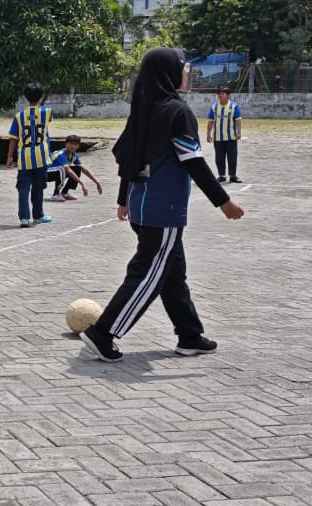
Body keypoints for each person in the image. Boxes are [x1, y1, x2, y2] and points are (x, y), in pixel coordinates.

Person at [79, 48, 245, 363]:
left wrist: (123, 199)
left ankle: (190, 335)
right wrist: (223, 201)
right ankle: (103, 333)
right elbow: (193, 161)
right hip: (162, 209)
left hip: (140, 204)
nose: (187, 72)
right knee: (147, 274)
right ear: (170, 72)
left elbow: (128, 159)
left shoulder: (144, 108)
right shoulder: (176, 111)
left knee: (172, 273)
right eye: (184, 67)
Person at [7, 82, 53, 227]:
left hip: (24, 157)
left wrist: (9, 156)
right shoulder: (47, 112)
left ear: (25, 96)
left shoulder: (19, 116)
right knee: (38, 187)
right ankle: (38, 215)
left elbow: (13, 138)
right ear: (41, 96)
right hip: (41, 156)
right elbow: (44, 117)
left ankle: (24, 218)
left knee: (23, 188)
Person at [46, 135, 103, 201]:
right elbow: (68, 170)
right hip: (44, 174)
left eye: (75, 144)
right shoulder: (61, 154)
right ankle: (55, 194)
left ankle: (64, 193)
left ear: (78, 146)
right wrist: (82, 184)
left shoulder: (73, 155)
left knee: (77, 169)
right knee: (62, 169)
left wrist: (97, 183)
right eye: (71, 144)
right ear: (66, 144)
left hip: (56, 173)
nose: (73, 146)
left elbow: (84, 170)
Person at [206, 85, 243, 183]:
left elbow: (238, 120)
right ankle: (221, 175)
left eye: (222, 93)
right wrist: (208, 134)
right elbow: (210, 121)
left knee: (232, 157)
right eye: (219, 93)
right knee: (219, 158)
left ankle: (233, 176)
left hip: (231, 137)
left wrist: (239, 132)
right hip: (218, 138)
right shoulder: (214, 106)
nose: (220, 95)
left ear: (227, 95)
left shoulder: (234, 106)